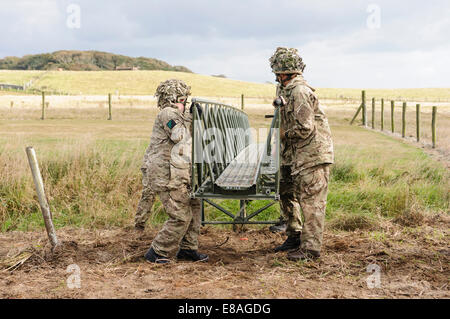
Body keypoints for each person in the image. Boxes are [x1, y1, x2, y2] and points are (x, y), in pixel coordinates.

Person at [269, 47, 334, 261]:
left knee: (311, 202)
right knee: (285, 190)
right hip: (295, 156)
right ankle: (294, 235)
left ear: (286, 72)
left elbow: (305, 127)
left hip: (312, 156)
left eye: (279, 73)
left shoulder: (299, 92)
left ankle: (311, 249)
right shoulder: (285, 91)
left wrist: (282, 134)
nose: (277, 77)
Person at [142, 79, 208, 264]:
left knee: (194, 207)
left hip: (178, 170)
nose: (185, 104)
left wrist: (190, 116)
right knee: (180, 215)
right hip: (166, 173)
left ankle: (188, 248)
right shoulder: (168, 114)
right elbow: (178, 135)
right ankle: (158, 251)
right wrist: (187, 116)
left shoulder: (176, 114)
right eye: (182, 100)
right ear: (172, 99)